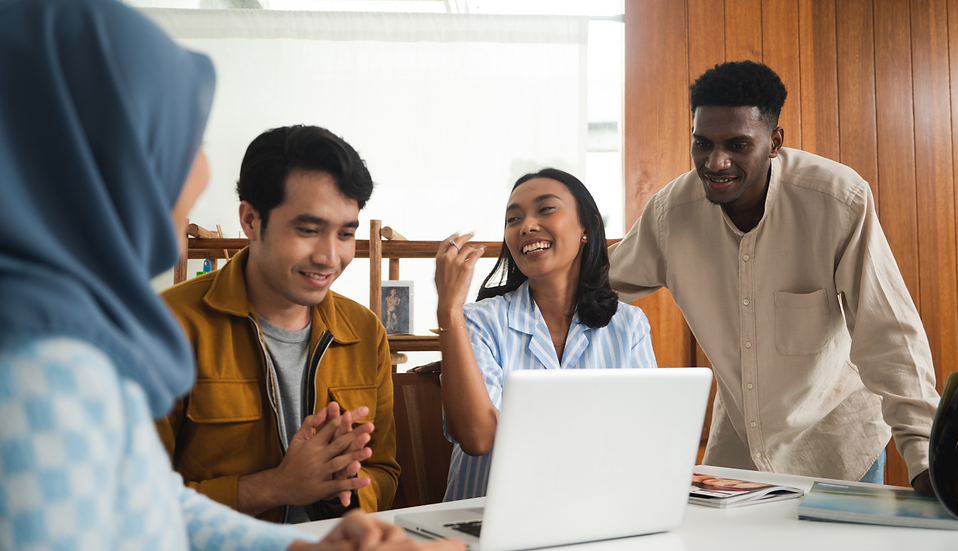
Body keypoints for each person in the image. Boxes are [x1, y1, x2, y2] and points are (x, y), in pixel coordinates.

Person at [0, 0, 460, 549]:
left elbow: (145, 501)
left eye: (345, 232)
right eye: (167, 140)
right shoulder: (48, 364)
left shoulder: (77, 334)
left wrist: (312, 533)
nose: (198, 170)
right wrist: (276, 486)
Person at [608, 60, 958, 506]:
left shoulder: (837, 200)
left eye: (737, 144)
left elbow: (889, 336)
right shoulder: (671, 214)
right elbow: (599, 283)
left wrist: (925, 458)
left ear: (774, 143)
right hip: (738, 455)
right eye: (702, 143)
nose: (715, 162)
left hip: (838, 447)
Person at [156, 125, 400, 524]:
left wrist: (345, 487)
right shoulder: (168, 325)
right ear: (251, 220)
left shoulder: (364, 331)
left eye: (345, 234)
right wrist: (275, 487)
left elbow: (386, 473)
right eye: (308, 230)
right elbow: (132, 500)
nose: (329, 256)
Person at [435, 168, 658, 501]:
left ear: (588, 227)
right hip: (485, 521)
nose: (526, 226)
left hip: (595, 513)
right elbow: (478, 439)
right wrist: (448, 311)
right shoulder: (479, 321)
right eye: (513, 219)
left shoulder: (629, 326)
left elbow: (644, 438)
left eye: (545, 209)